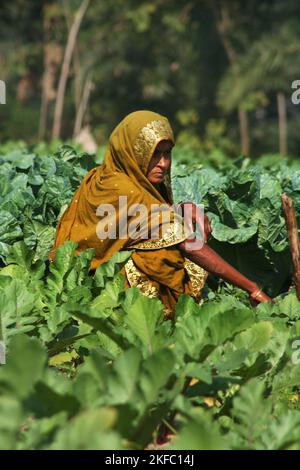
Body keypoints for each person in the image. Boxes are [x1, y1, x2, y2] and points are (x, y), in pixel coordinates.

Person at [49, 110, 271, 317]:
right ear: (132, 153)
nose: (163, 164)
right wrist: (252, 288)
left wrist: (182, 208)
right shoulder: (125, 191)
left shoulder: (103, 176)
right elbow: (189, 245)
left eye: (167, 154)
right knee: (162, 254)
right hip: (111, 294)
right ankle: (156, 314)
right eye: (155, 154)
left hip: (84, 284)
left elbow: (143, 221)